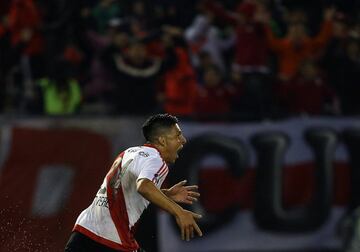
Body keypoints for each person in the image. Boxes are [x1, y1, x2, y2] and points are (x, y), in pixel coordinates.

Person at [65, 114, 203, 252]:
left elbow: (124, 189)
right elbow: (143, 187)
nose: (183, 140)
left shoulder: (129, 152)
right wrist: (179, 212)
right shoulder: (156, 160)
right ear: (162, 140)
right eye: (177, 136)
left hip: (84, 230)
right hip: (112, 239)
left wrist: (165, 194)